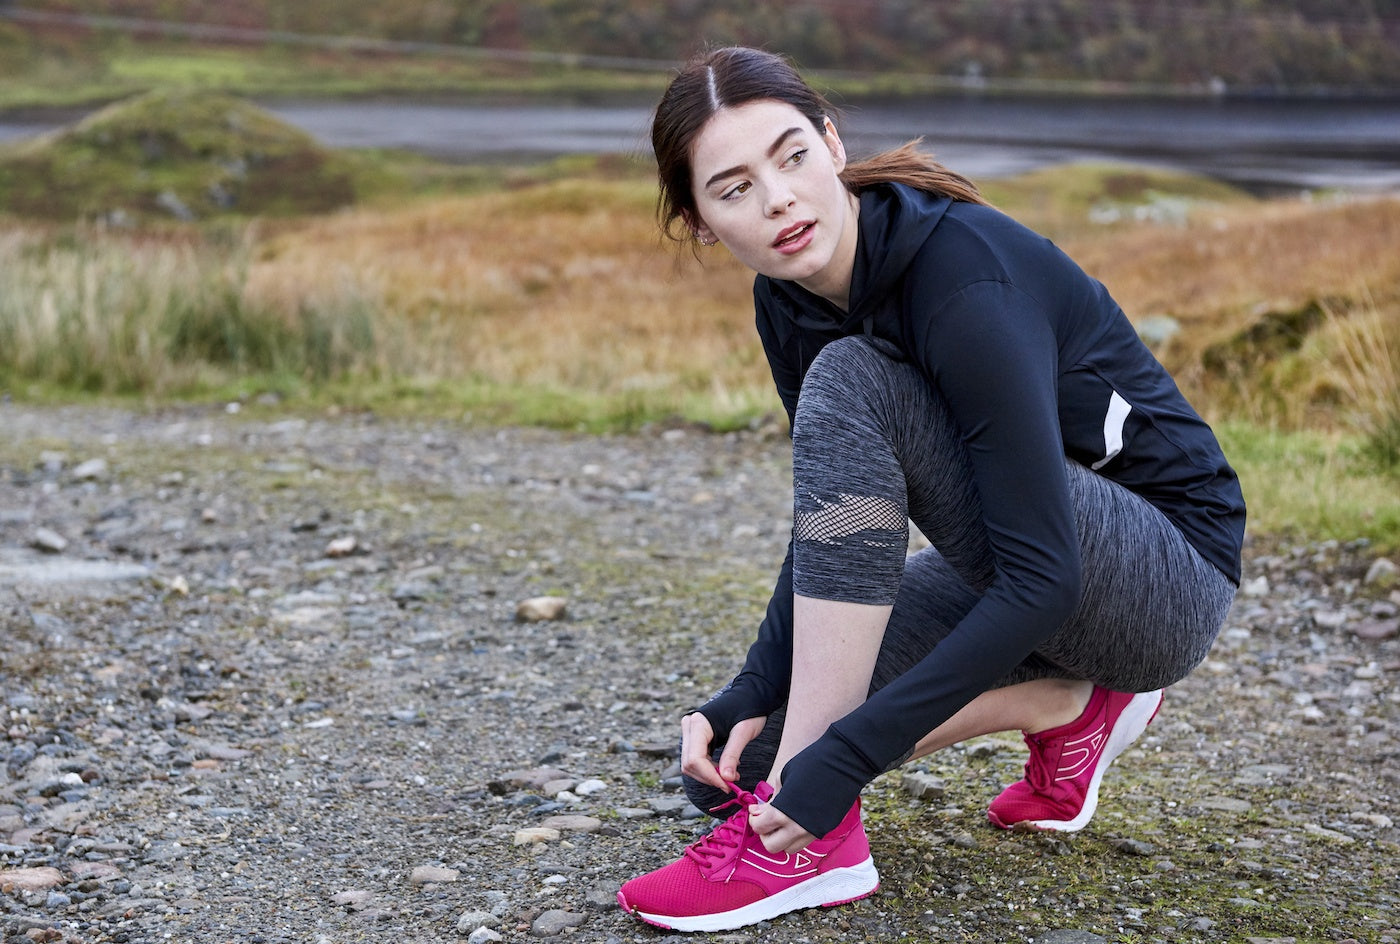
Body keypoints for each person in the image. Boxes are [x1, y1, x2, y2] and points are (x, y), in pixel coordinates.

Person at [617, 46, 1245, 933]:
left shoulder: (962, 282)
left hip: (1167, 575)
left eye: (792, 156)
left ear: (833, 144)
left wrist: (844, 764)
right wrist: (750, 689)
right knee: (748, 772)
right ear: (701, 221)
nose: (778, 199)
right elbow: (839, 518)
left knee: (810, 766)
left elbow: (1045, 578)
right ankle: (1069, 704)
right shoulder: (786, 299)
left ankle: (815, 844)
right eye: (734, 188)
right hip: (1026, 555)